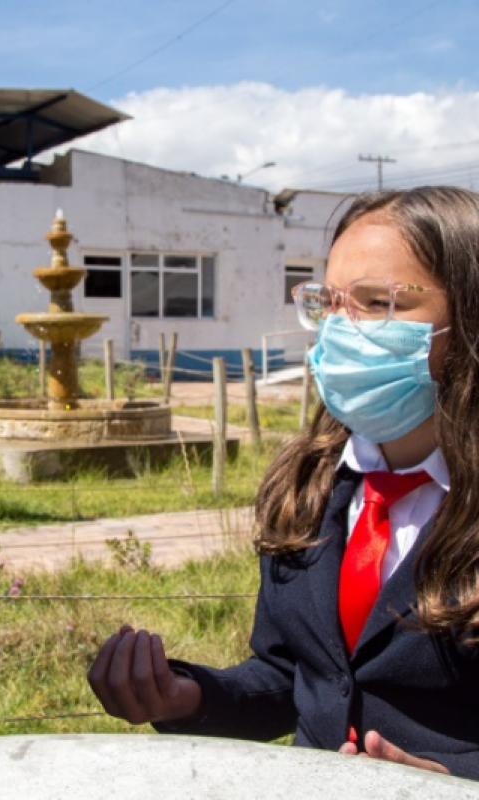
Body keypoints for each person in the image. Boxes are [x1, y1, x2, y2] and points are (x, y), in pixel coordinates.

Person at [88, 186, 479, 780]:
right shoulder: (310, 485)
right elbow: (293, 678)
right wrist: (185, 695)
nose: (343, 332)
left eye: (377, 303)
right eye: (330, 303)